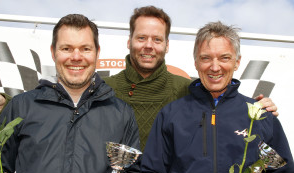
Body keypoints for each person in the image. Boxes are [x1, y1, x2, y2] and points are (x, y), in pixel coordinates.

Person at [140, 21, 294, 173]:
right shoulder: (171, 115)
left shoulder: (261, 116)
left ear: (237, 62)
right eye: (206, 58)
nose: (214, 67)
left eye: (224, 58)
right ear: (196, 62)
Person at [0, 14, 140, 173]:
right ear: (53, 52)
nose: (76, 57)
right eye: (66, 48)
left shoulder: (122, 113)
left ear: (97, 52)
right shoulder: (21, 106)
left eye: (85, 48)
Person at [103, 6, 278, 151]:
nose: (149, 46)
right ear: (129, 41)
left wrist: (255, 111)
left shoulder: (187, 89)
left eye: (157, 39)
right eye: (141, 38)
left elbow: (224, 106)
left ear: (167, 45)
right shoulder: (104, 89)